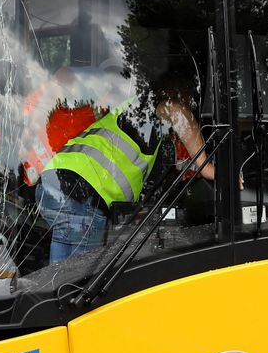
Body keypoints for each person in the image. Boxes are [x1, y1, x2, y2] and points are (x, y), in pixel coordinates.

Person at [34, 70, 214, 264]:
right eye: (188, 98)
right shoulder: (145, 109)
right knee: (79, 277)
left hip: (55, 183)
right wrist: (207, 167)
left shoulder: (137, 118)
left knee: (60, 272)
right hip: (83, 194)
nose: (189, 104)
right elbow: (176, 111)